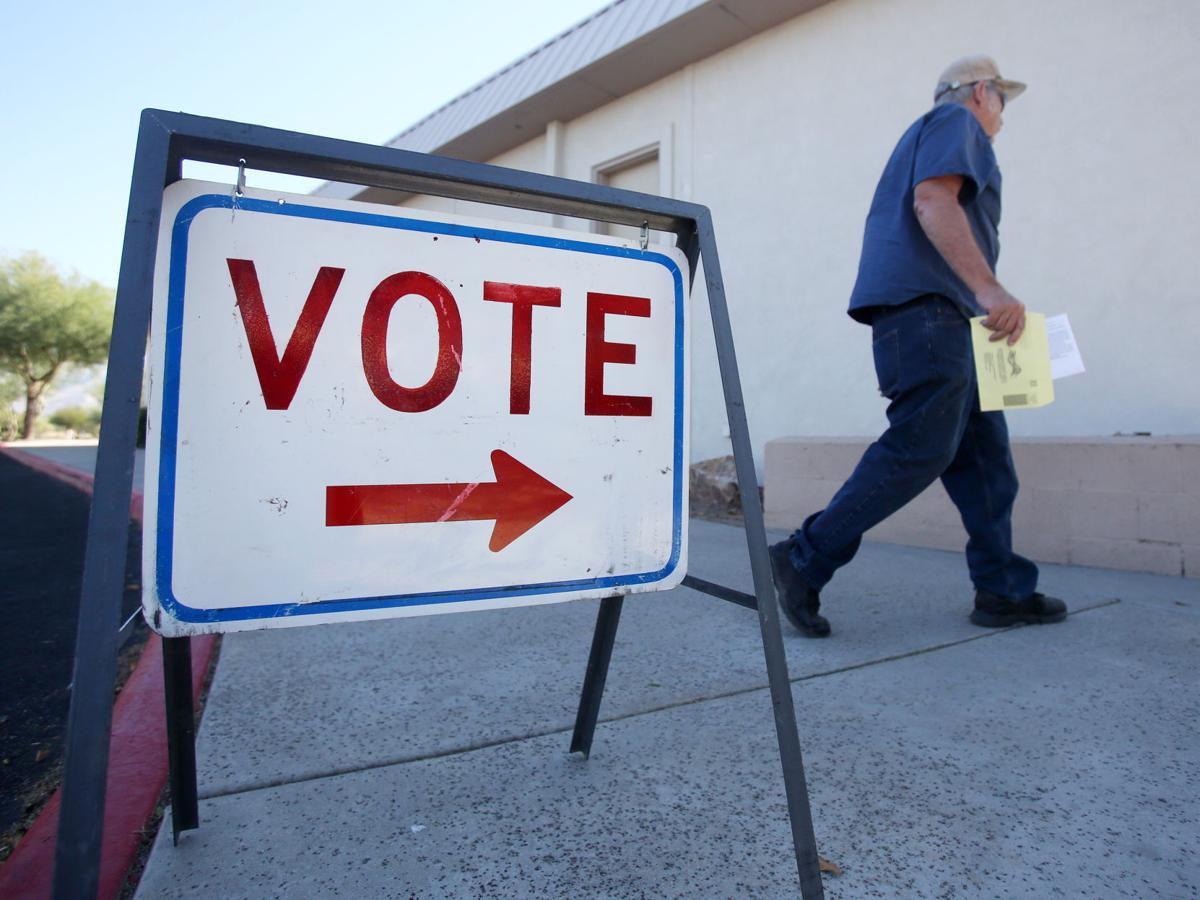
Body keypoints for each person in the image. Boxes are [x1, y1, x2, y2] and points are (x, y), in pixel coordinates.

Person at [770, 55, 1066, 637]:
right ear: (981, 92)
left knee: (986, 465)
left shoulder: (937, 132)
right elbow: (933, 200)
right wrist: (989, 289)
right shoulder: (956, 123)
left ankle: (1003, 590)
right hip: (929, 312)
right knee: (920, 446)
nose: (1003, 115)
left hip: (946, 316)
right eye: (1002, 101)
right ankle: (806, 555)